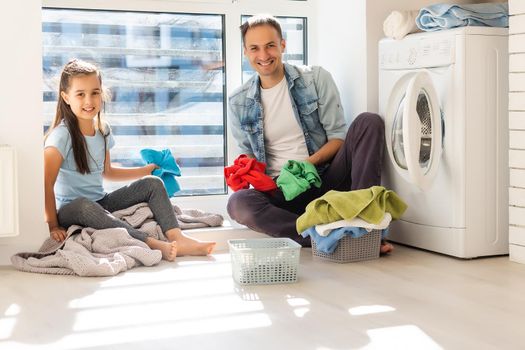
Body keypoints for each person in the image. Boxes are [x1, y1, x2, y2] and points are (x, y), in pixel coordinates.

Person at [227, 14, 392, 253]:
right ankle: (323, 235)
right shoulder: (238, 101)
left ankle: (364, 225)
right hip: (281, 191)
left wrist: (306, 166)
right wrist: (246, 174)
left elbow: (338, 137)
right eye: (254, 48)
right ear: (245, 52)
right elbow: (247, 158)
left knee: (369, 122)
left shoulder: (315, 79)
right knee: (238, 204)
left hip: (325, 179)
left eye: (270, 46)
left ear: (282, 45)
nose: (263, 56)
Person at [44, 59, 215, 261]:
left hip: (100, 202)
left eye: (95, 93)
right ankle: (149, 242)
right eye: (80, 94)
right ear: (66, 97)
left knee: (153, 184)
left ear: (102, 93)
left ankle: (178, 238)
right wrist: (53, 225)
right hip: (71, 209)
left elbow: (108, 171)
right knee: (84, 205)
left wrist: (146, 170)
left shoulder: (103, 131)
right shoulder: (61, 136)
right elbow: (46, 184)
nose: (89, 101)